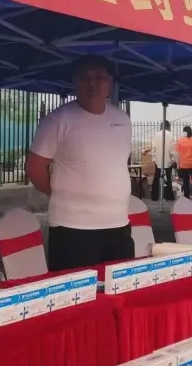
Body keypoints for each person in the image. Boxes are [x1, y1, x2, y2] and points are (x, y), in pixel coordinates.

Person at [26, 55, 135, 271]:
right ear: (74, 81)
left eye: (99, 77)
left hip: (118, 223)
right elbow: (34, 168)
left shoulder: (122, 119)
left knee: (117, 287)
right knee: (77, 288)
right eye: (85, 77)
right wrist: (65, 192)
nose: (92, 83)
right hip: (73, 227)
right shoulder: (58, 120)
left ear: (110, 82)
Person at [150, 121, 176, 202]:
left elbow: (153, 148)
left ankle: (154, 196)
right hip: (167, 160)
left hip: (158, 160)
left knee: (156, 178)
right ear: (168, 126)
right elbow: (172, 149)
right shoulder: (171, 135)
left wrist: (154, 159)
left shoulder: (156, 134)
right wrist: (173, 159)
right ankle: (168, 196)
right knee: (168, 178)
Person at [177, 126, 192, 200]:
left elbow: (178, 154)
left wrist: (178, 164)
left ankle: (186, 196)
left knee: (185, 181)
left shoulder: (180, 141)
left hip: (184, 164)